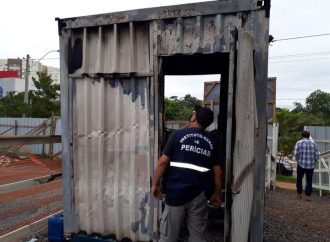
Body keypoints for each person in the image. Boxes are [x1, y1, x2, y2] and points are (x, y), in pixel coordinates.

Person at [152, 105, 223, 242]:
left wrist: (155, 184)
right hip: (199, 196)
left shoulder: (177, 135)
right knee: (198, 238)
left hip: (175, 193)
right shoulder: (212, 142)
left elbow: (162, 162)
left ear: (195, 117)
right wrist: (216, 194)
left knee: (168, 237)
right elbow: (218, 172)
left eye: (193, 113)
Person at [294, 130, 319, 201]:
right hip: (311, 165)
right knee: (309, 180)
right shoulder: (314, 144)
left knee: (299, 178)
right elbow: (317, 155)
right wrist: (314, 161)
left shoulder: (299, 143)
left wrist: (298, 160)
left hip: (301, 164)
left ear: (302, 136)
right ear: (309, 136)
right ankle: (308, 196)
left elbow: (296, 154)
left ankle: (299, 194)